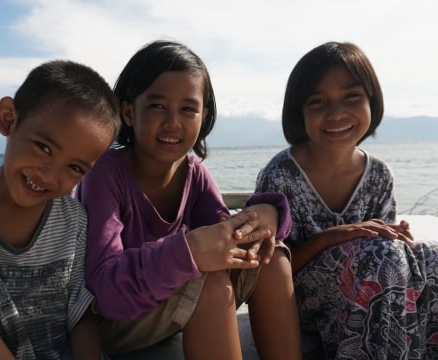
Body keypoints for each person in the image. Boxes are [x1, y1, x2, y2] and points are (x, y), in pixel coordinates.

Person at [75, 40, 301, 360]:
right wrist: (190, 251)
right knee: (207, 281)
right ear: (128, 111)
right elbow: (105, 292)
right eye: (157, 106)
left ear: (203, 115)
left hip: (167, 307)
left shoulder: (194, 173)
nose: (173, 122)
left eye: (188, 109)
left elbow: (226, 235)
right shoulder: (105, 174)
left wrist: (269, 214)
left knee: (271, 255)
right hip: (115, 321)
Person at [255, 41, 438, 359]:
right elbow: (268, 270)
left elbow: (385, 246)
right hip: (302, 303)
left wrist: (402, 240)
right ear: (299, 112)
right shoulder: (281, 176)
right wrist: (336, 236)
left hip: (374, 287)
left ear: (372, 100)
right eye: (318, 101)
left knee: (437, 259)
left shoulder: (379, 175)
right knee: (383, 256)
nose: (336, 113)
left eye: (351, 97)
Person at [0, 60, 121, 360]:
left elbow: (81, 312)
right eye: (43, 147)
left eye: (75, 167)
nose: (50, 176)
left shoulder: (72, 219)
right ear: (8, 119)